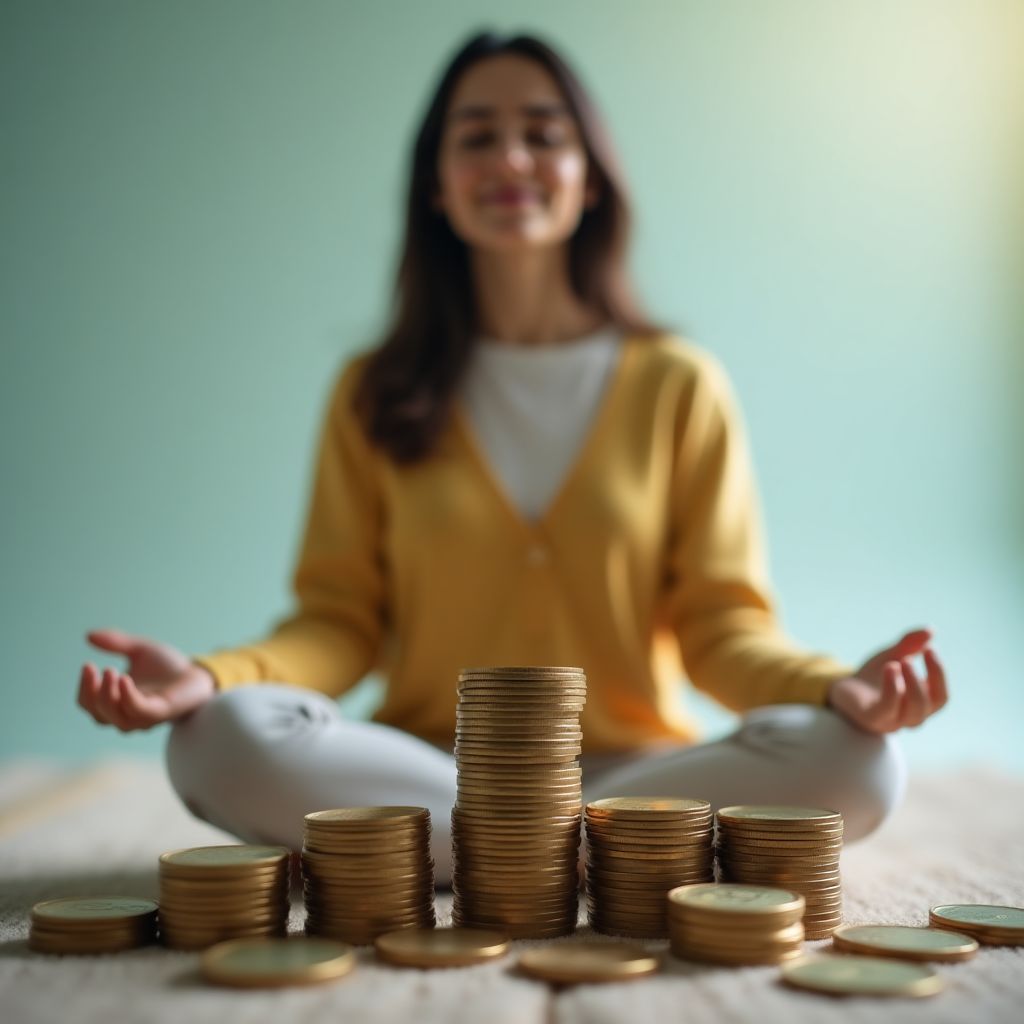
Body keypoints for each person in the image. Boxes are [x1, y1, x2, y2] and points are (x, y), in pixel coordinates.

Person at [76, 31, 947, 885]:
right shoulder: (372, 388)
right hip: (435, 775)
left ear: (591, 178)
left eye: (543, 132)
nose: (511, 158)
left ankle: (503, 862)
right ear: (436, 187)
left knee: (861, 764)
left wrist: (839, 690)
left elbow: (724, 628)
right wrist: (205, 678)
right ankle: (595, 867)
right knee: (216, 735)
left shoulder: (679, 383)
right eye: (477, 136)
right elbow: (337, 621)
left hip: (643, 779)